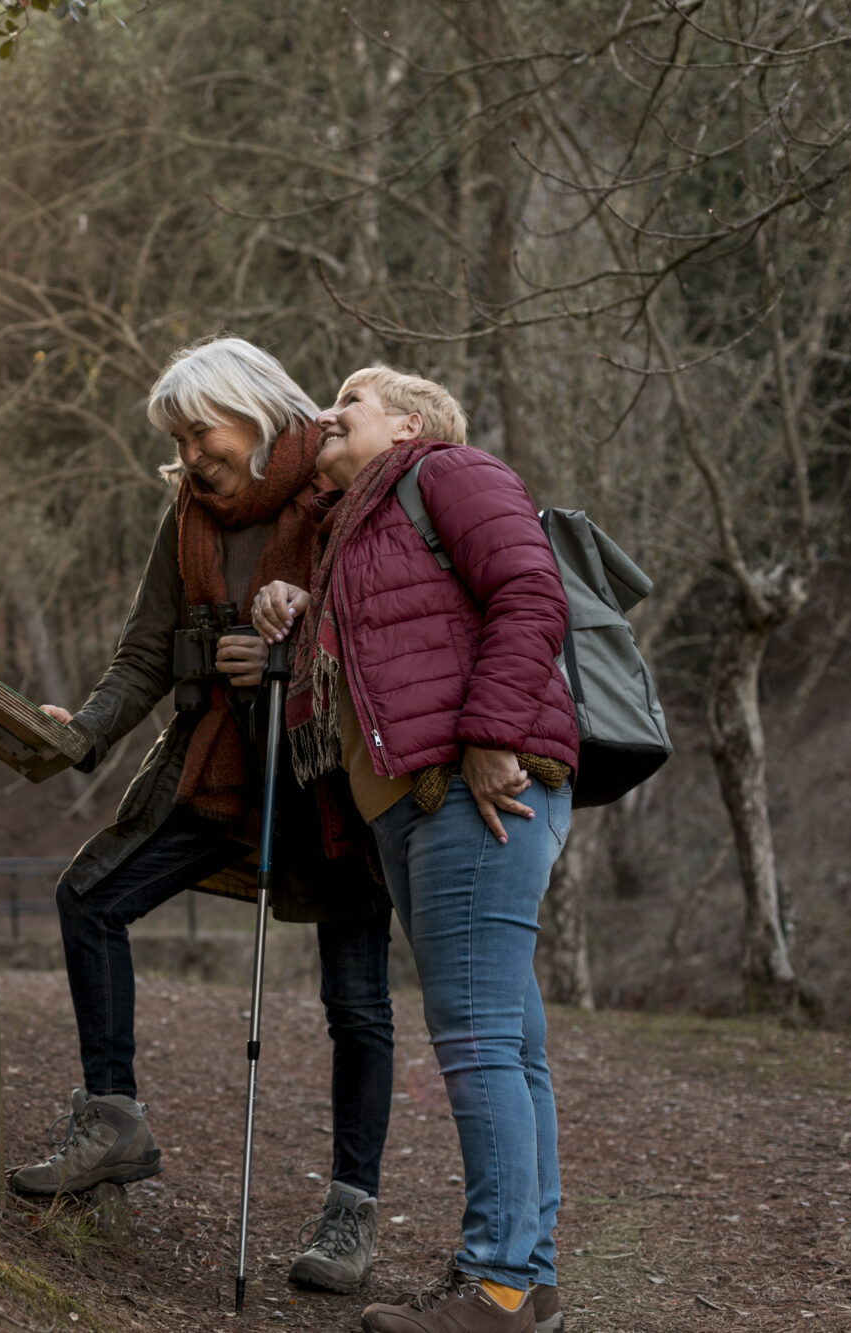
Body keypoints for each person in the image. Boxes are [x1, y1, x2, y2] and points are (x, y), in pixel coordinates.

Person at [10, 337, 396, 1295]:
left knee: (356, 1002)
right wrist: (83, 731)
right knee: (89, 897)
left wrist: (287, 649)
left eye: (199, 432)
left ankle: (351, 1210)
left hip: (332, 782)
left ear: (252, 409)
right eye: (177, 440)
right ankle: (113, 1119)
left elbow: (388, 624)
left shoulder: (342, 488)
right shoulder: (185, 514)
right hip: (221, 771)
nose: (189, 455)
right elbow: (145, 652)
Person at [253, 366, 576, 1333]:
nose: (328, 413)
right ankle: (529, 1280)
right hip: (413, 807)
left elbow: (532, 591)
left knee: (475, 1039)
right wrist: (297, 601)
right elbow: (395, 641)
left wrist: (490, 734)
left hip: (478, 787)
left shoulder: (449, 471)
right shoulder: (355, 528)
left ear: (408, 423)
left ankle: (497, 1285)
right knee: (509, 1042)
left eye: (350, 401)